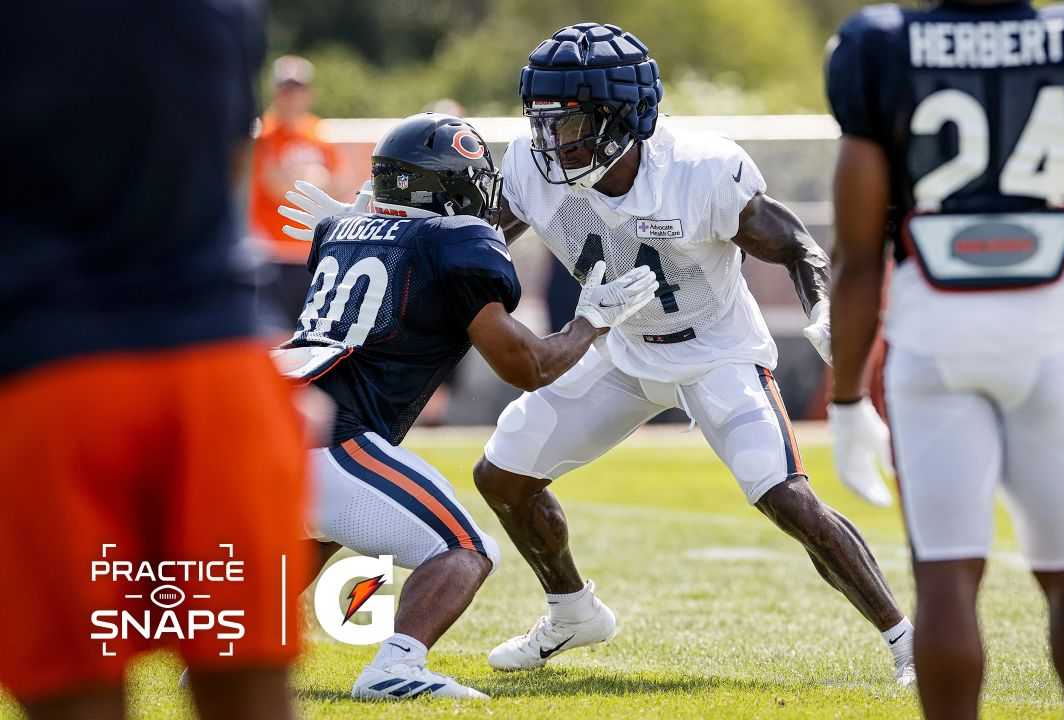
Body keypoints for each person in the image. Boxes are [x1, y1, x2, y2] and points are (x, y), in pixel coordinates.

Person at [472, 22, 918, 684]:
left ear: (622, 118)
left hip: (716, 350)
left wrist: (820, 309)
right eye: (542, 123)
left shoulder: (699, 169)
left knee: (785, 496)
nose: (549, 143)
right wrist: (374, 224)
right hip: (623, 348)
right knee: (502, 476)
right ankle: (573, 611)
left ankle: (907, 639)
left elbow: (795, 244)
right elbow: (470, 238)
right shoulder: (533, 171)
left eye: (568, 125)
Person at [825, 2, 1064, 718]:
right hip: (1050, 336)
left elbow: (856, 259)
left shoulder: (882, 44)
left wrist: (848, 401)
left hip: (932, 337)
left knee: (945, 579)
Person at [275, 113, 658, 700]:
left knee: (321, 532)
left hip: (271, 428)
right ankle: (396, 666)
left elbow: (396, 254)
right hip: (331, 438)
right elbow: (526, 367)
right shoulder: (456, 242)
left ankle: (223, 660)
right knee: (465, 549)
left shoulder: (340, 231)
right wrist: (593, 321)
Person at [0, 1, 310, 719]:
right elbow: (233, 153)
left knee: (74, 697)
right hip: (218, 367)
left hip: (49, 375)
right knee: (251, 689)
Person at [249, 55, 342, 331]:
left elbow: (337, 185)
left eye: (297, 89)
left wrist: (300, 178)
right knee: (273, 335)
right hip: (273, 253)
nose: (291, 97)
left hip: (311, 254)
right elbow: (275, 186)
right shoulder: (264, 134)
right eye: (285, 89)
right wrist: (313, 177)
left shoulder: (319, 134)